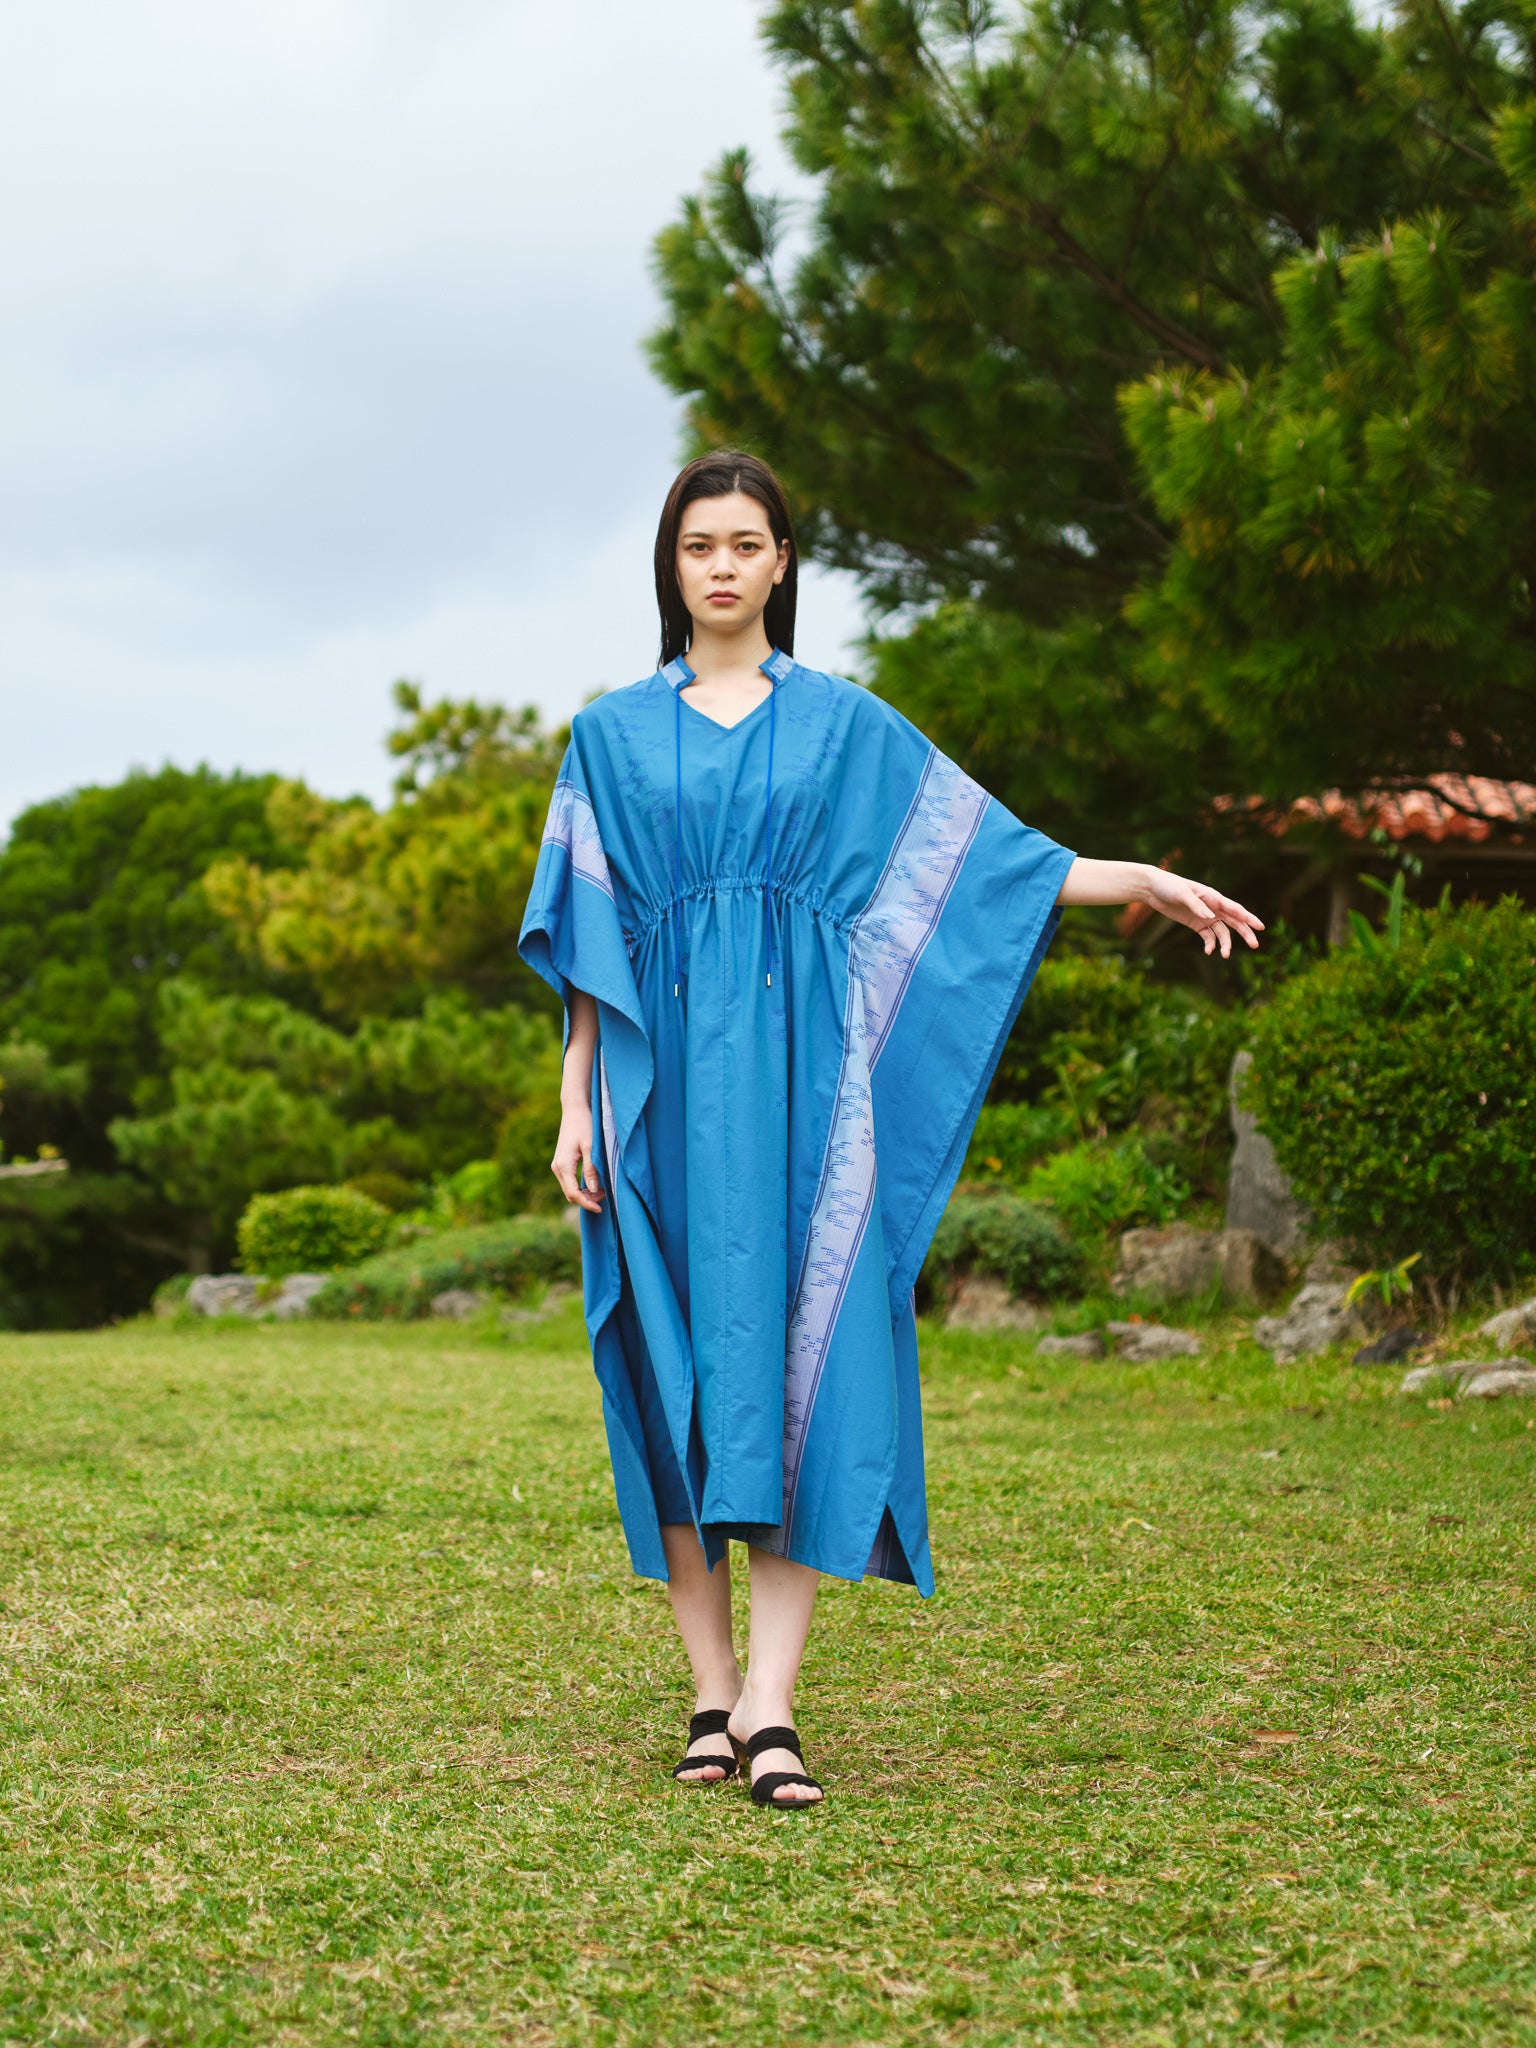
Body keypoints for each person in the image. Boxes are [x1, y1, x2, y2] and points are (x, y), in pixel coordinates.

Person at [518, 451, 1261, 1810]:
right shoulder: (609, 738)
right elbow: (591, 943)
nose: (724, 566)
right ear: (671, 566)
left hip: (807, 1090)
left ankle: (772, 1706)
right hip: (656, 1087)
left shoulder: (843, 727)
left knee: (804, 1359)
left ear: (783, 562)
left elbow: (981, 860)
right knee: (668, 1373)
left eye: (747, 543)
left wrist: (1135, 879)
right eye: (699, 546)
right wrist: (576, 1099)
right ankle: (706, 1691)